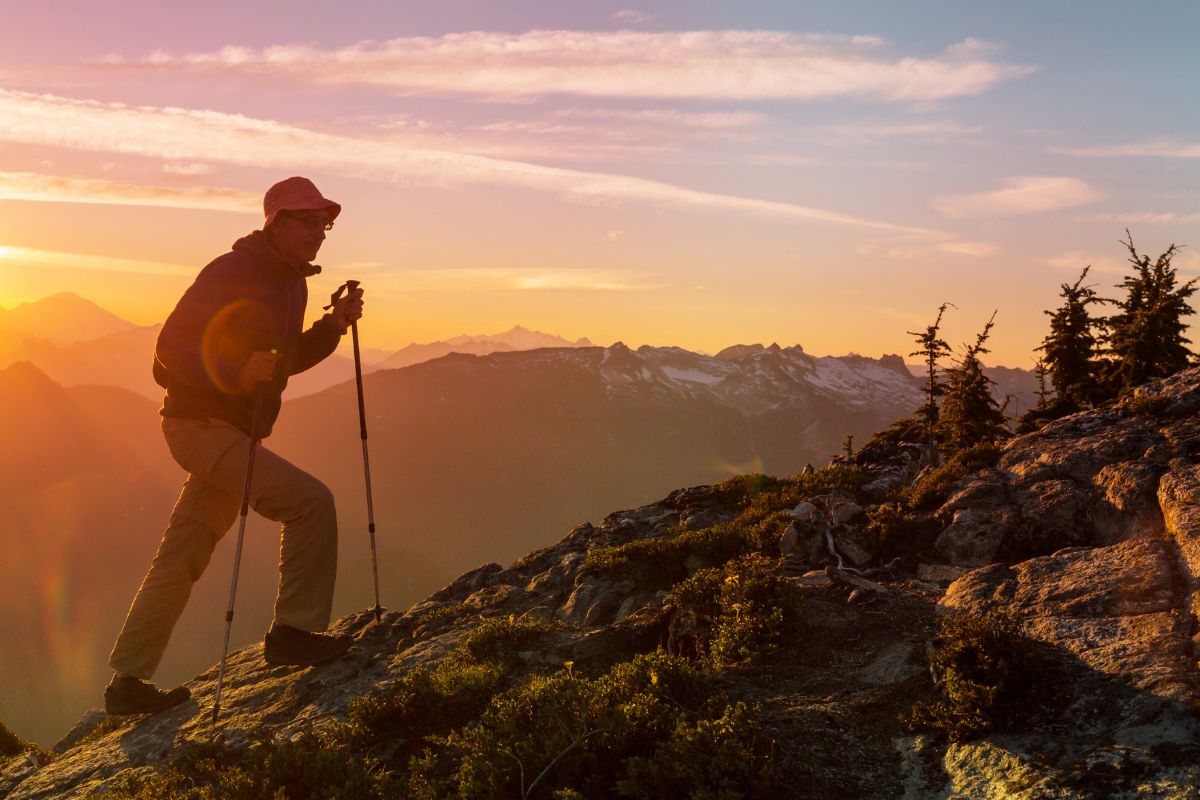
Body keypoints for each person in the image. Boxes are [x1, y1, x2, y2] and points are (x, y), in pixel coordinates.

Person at [104, 177, 365, 715]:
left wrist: (333, 326)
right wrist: (234, 371)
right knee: (310, 502)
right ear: (276, 221)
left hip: (228, 432)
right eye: (310, 221)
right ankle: (293, 633)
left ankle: (126, 685)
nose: (321, 232)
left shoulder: (293, 284)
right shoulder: (232, 271)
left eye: (325, 223)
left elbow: (283, 361)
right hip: (199, 427)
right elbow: (171, 343)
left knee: (182, 555)